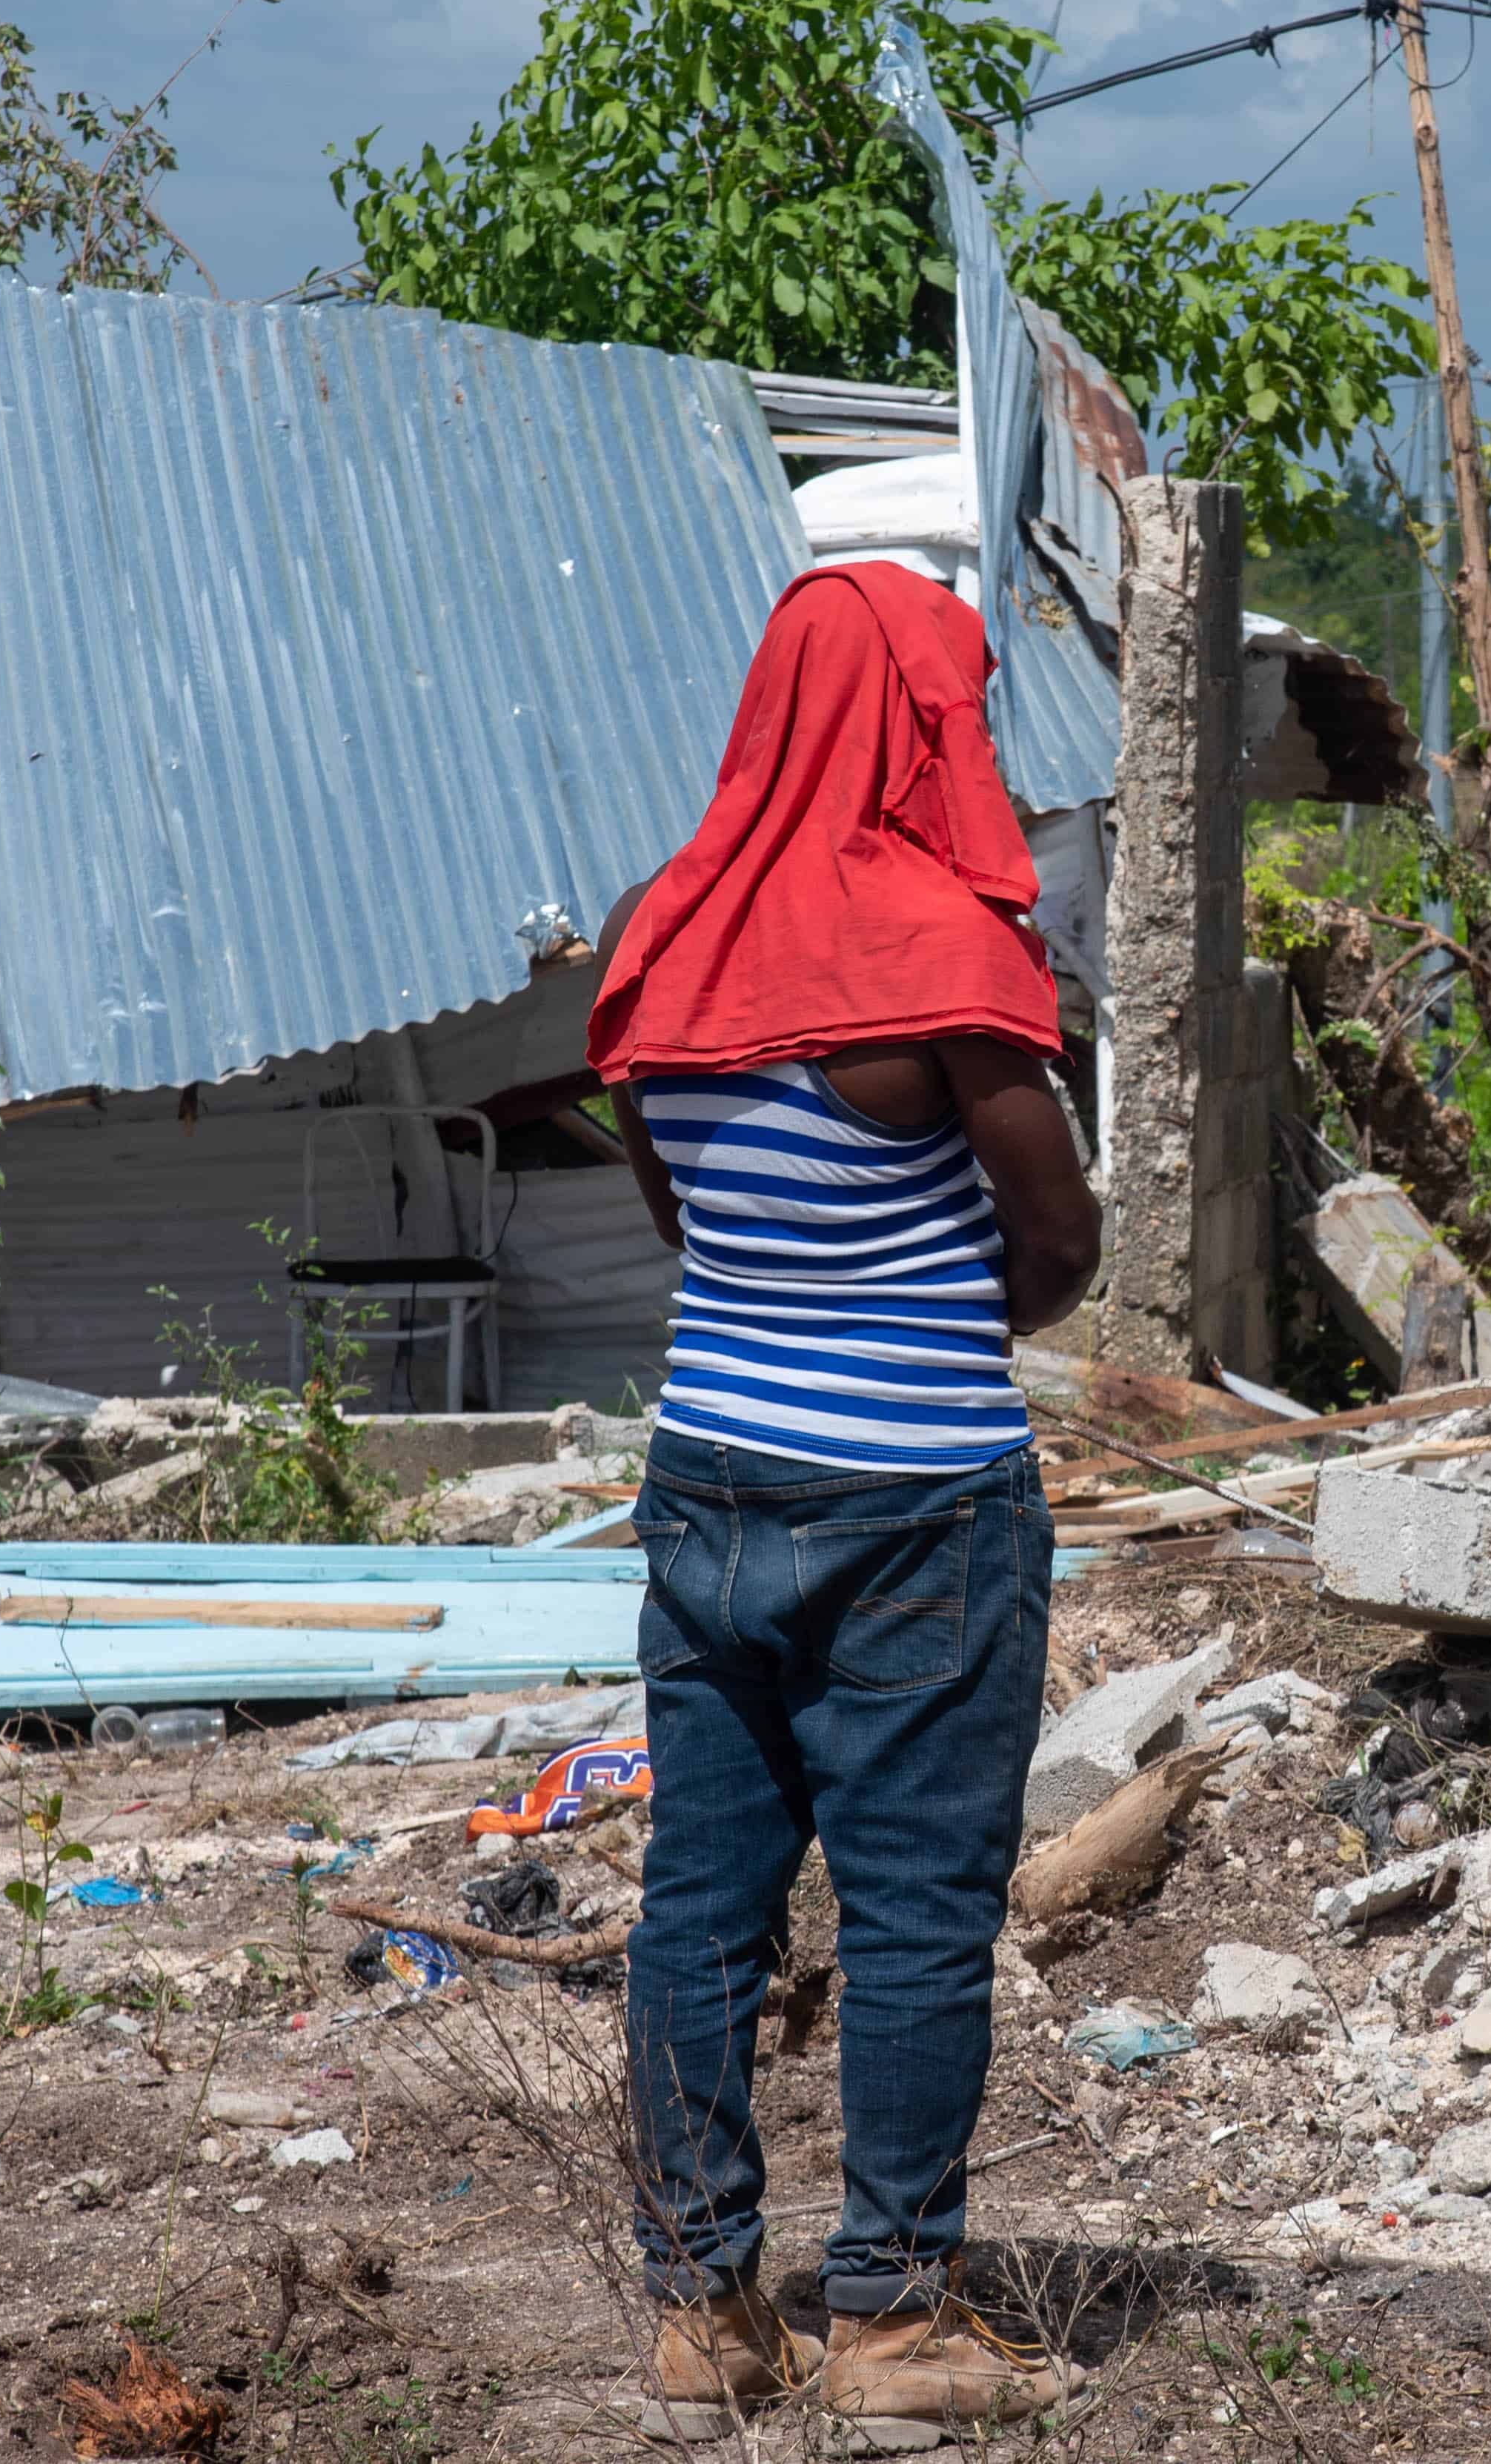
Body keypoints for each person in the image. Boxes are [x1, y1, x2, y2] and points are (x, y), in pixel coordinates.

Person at [587, 557, 1102, 2452]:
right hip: (917, 1501)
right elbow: (1055, 1246)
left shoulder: (666, 927)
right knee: (908, 1906)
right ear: (920, 714)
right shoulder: (946, 952)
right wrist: (939, 1317)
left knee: (700, 1901)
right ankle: (890, 2315)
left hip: (705, 1468)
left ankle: (698, 2310)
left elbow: (680, 1211)